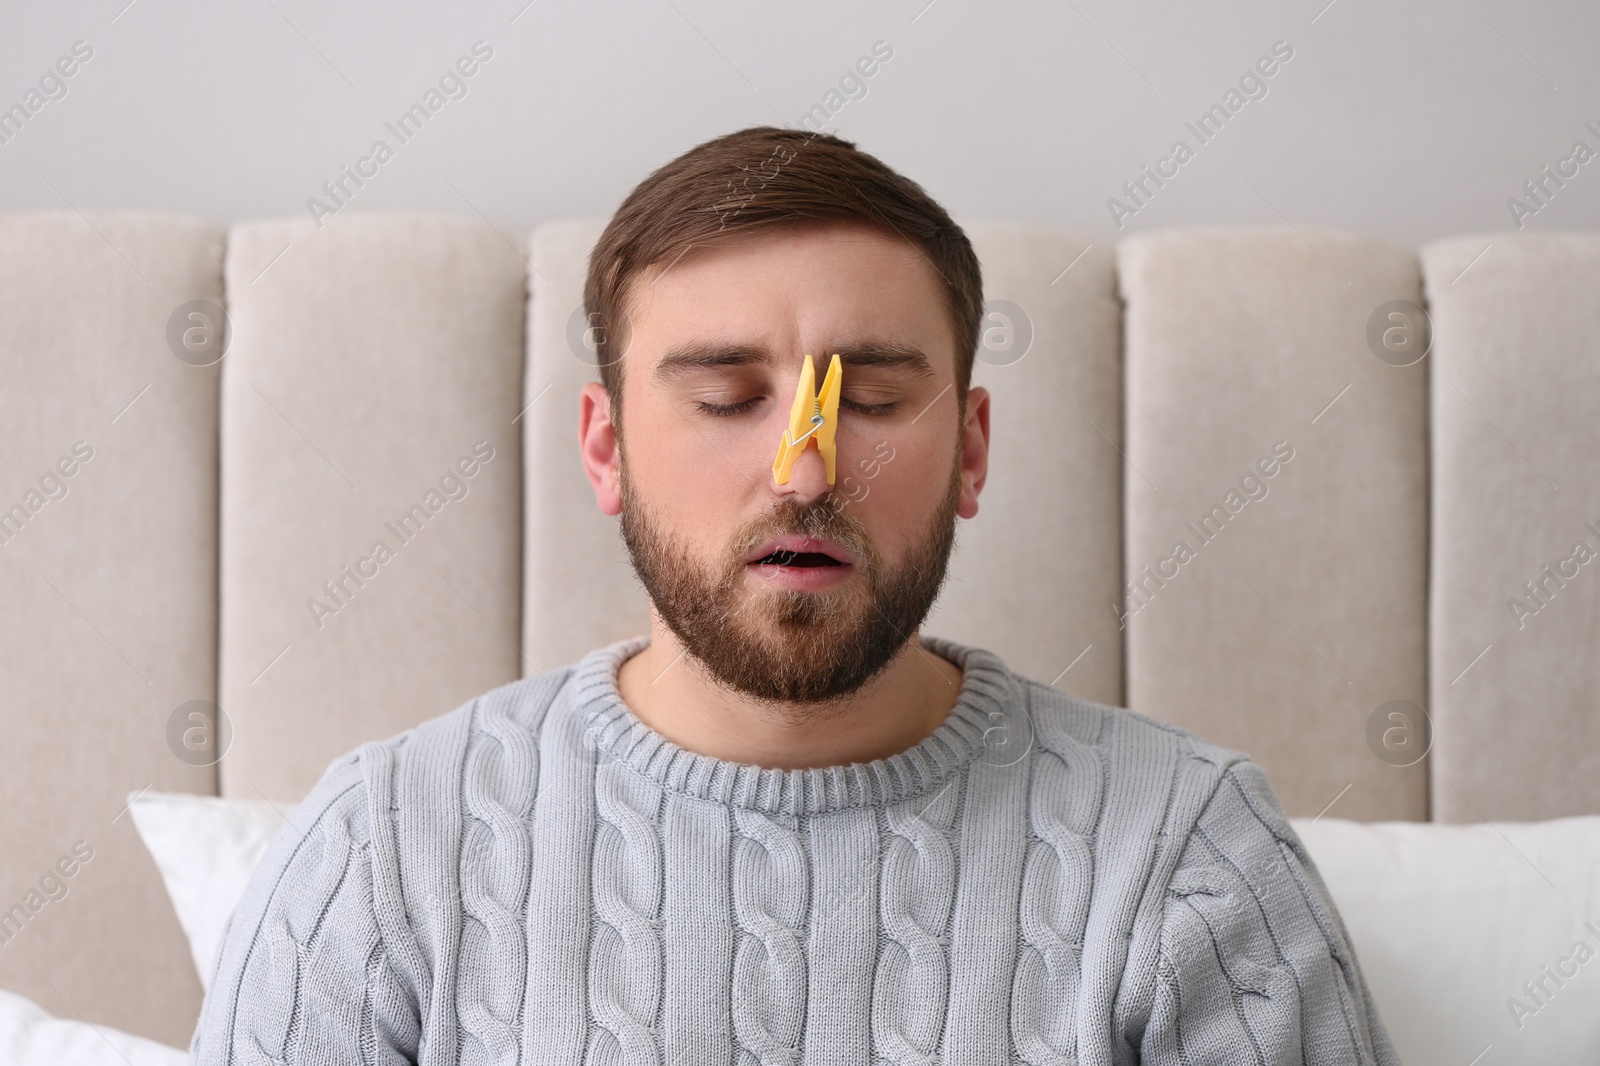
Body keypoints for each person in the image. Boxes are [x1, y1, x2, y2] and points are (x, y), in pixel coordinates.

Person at [191, 126, 1399, 1065]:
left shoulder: (1187, 850)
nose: (805, 469)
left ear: (971, 449)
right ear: (604, 447)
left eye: (870, 401)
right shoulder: (382, 852)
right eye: (725, 399)